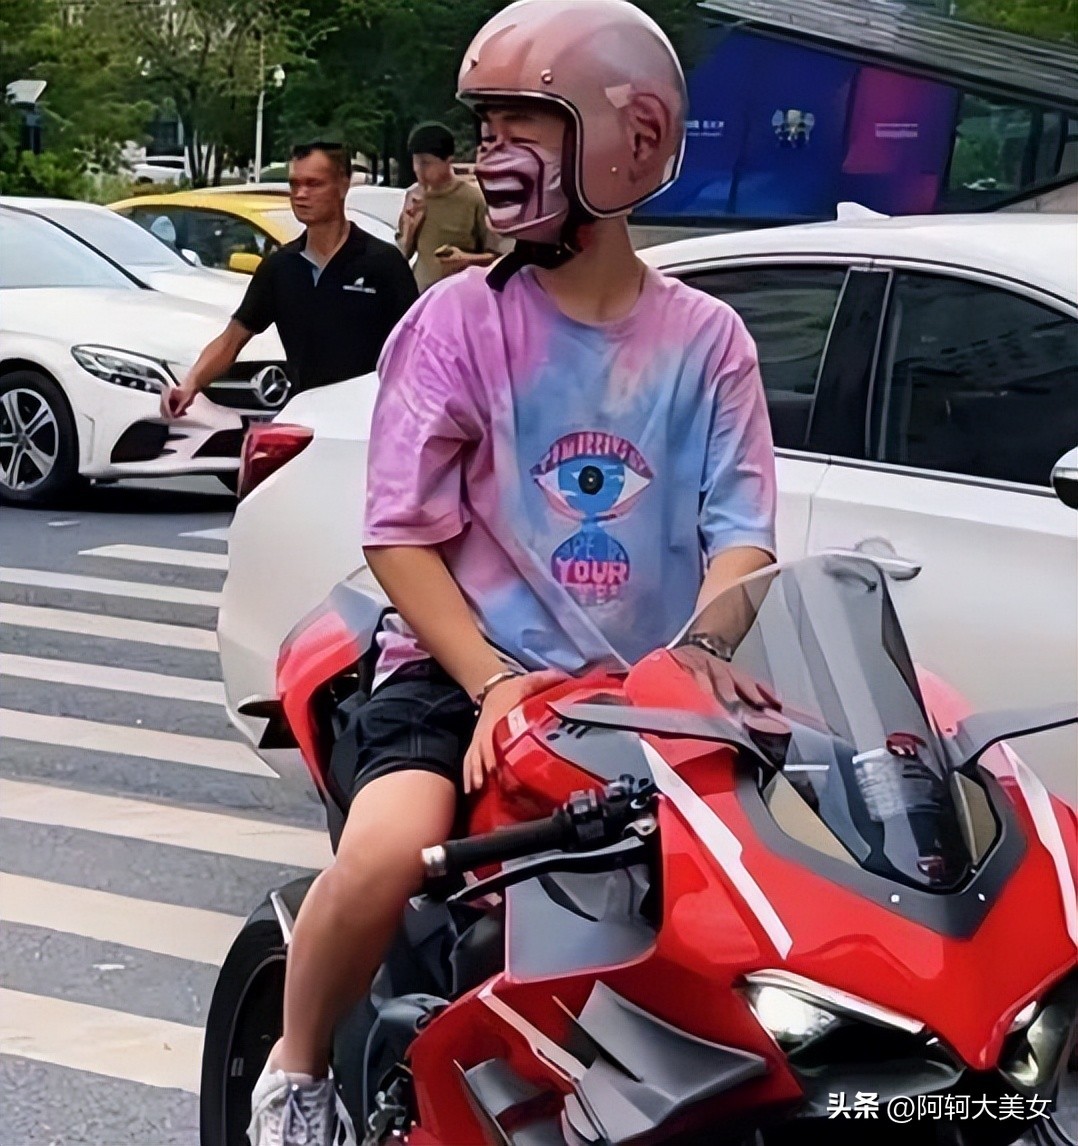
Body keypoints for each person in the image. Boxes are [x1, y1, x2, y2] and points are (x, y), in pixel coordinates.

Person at [246, 3, 777, 1143]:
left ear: (627, 135)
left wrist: (701, 654)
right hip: (459, 676)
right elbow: (398, 533)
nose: (492, 151)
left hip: (643, 700)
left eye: (521, 122)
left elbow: (742, 533)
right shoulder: (455, 322)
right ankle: (295, 1077)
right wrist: (491, 679)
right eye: (486, 125)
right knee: (390, 848)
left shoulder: (709, 343)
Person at [160, 142, 417, 419]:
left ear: (343, 185)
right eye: (294, 184)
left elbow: (417, 350)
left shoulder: (383, 263)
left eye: (314, 184)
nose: (301, 194)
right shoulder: (281, 267)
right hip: (305, 418)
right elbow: (231, 340)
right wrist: (189, 385)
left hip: (372, 420)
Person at [396, 121, 503, 292]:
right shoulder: (414, 196)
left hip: (460, 295)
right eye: (415, 162)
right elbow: (402, 255)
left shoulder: (473, 199)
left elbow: (498, 256)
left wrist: (465, 259)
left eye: (426, 163)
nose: (418, 169)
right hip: (420, 295)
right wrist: (410, 227)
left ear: (448, 161)